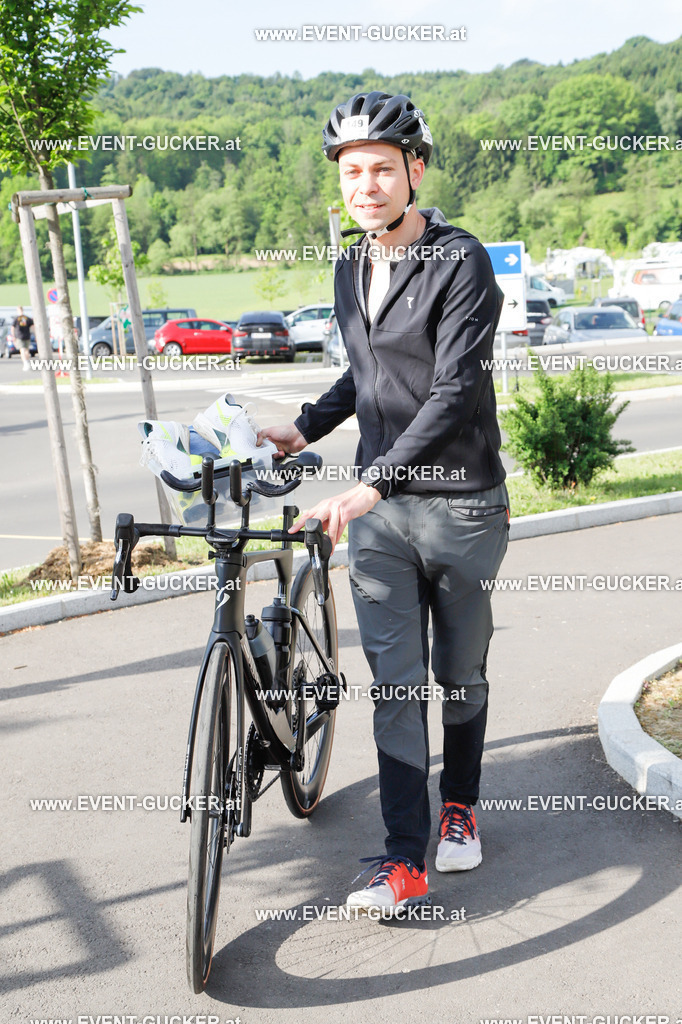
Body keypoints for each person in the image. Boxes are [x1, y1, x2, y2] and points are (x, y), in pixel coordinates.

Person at [258, 91, 510, 914]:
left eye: (381, 169)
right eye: (351, 171)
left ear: (416, 170)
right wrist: (303, 426)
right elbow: (364, 375)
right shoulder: (348, 264)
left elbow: (453, 389)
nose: (365, 185)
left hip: (460, 506)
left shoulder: (460, 260)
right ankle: (403, 857)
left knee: (459, 674)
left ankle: (461, 807)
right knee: (395, 686)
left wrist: (372, 481)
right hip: (380, 519)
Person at [11, 306, 34, 371]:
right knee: (26, 350)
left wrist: (13, 336)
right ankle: (27, 362)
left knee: (22, 350)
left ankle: (25, 363)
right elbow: (32, 327)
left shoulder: (16, 318)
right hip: (27, 336)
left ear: (18, 310)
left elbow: (12, 328)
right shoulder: (27, 318)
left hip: (19, 336)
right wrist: (35, 335)